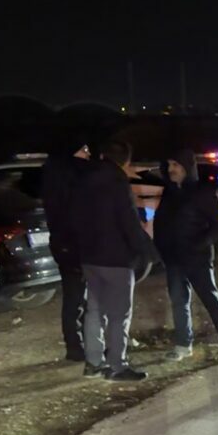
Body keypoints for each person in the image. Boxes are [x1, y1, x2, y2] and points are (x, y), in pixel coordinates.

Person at [72, 140, 159, 382]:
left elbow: (75, 217)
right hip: (116, 259)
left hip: (90, 257)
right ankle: (117, 367)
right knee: (120, 314)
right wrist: (148, 251)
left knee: (94, 311)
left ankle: (93, 362)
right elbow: (129, 222)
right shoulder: (118, 183)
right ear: (126, 161)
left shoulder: (83, 180)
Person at [153, 149, 218, 362]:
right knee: (179, 302)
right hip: (174, 259)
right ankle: (183, 345)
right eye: (169, 165)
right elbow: (161, 222)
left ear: (186, 167)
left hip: (197, 258)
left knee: (211, 299)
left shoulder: (203, 191)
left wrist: (200, 244)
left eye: (175, 165)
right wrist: (160, 248)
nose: (171, 170)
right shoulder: (169, 192)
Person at [39, 132, 92, 361]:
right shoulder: (70, 178)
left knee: (75, 297)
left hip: (64, 244)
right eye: (84, 150)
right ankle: (77, 346)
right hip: (74, 245)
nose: (87, 155)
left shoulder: (55, 175)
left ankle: (77, 344)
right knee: (77, 298)